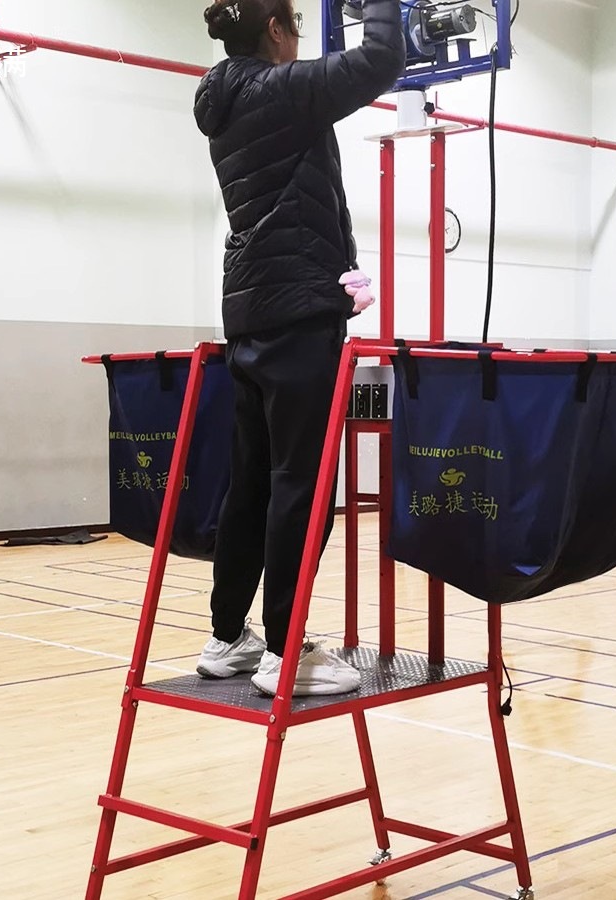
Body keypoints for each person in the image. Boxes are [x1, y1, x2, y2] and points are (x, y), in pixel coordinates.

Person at [193, 0, 405, 695]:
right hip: (296, 314)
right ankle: (286, 654)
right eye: (298, 33)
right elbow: (380, 60)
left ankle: (229, 638)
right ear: (277, 32)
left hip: (250, 313)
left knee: (253, 481)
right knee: (302, 487)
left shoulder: (222, 98)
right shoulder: (280, 90)